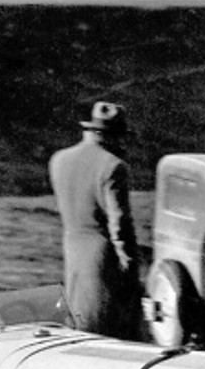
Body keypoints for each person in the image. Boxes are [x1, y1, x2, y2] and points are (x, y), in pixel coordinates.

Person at [49, 100, 141, 337]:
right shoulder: (113, 166)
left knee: (79, 317)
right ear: (114, 136)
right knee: (106, 324)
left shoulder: (58, 159)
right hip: (101, 254)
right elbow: (119, 224)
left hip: (72, 248)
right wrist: (130, 264)